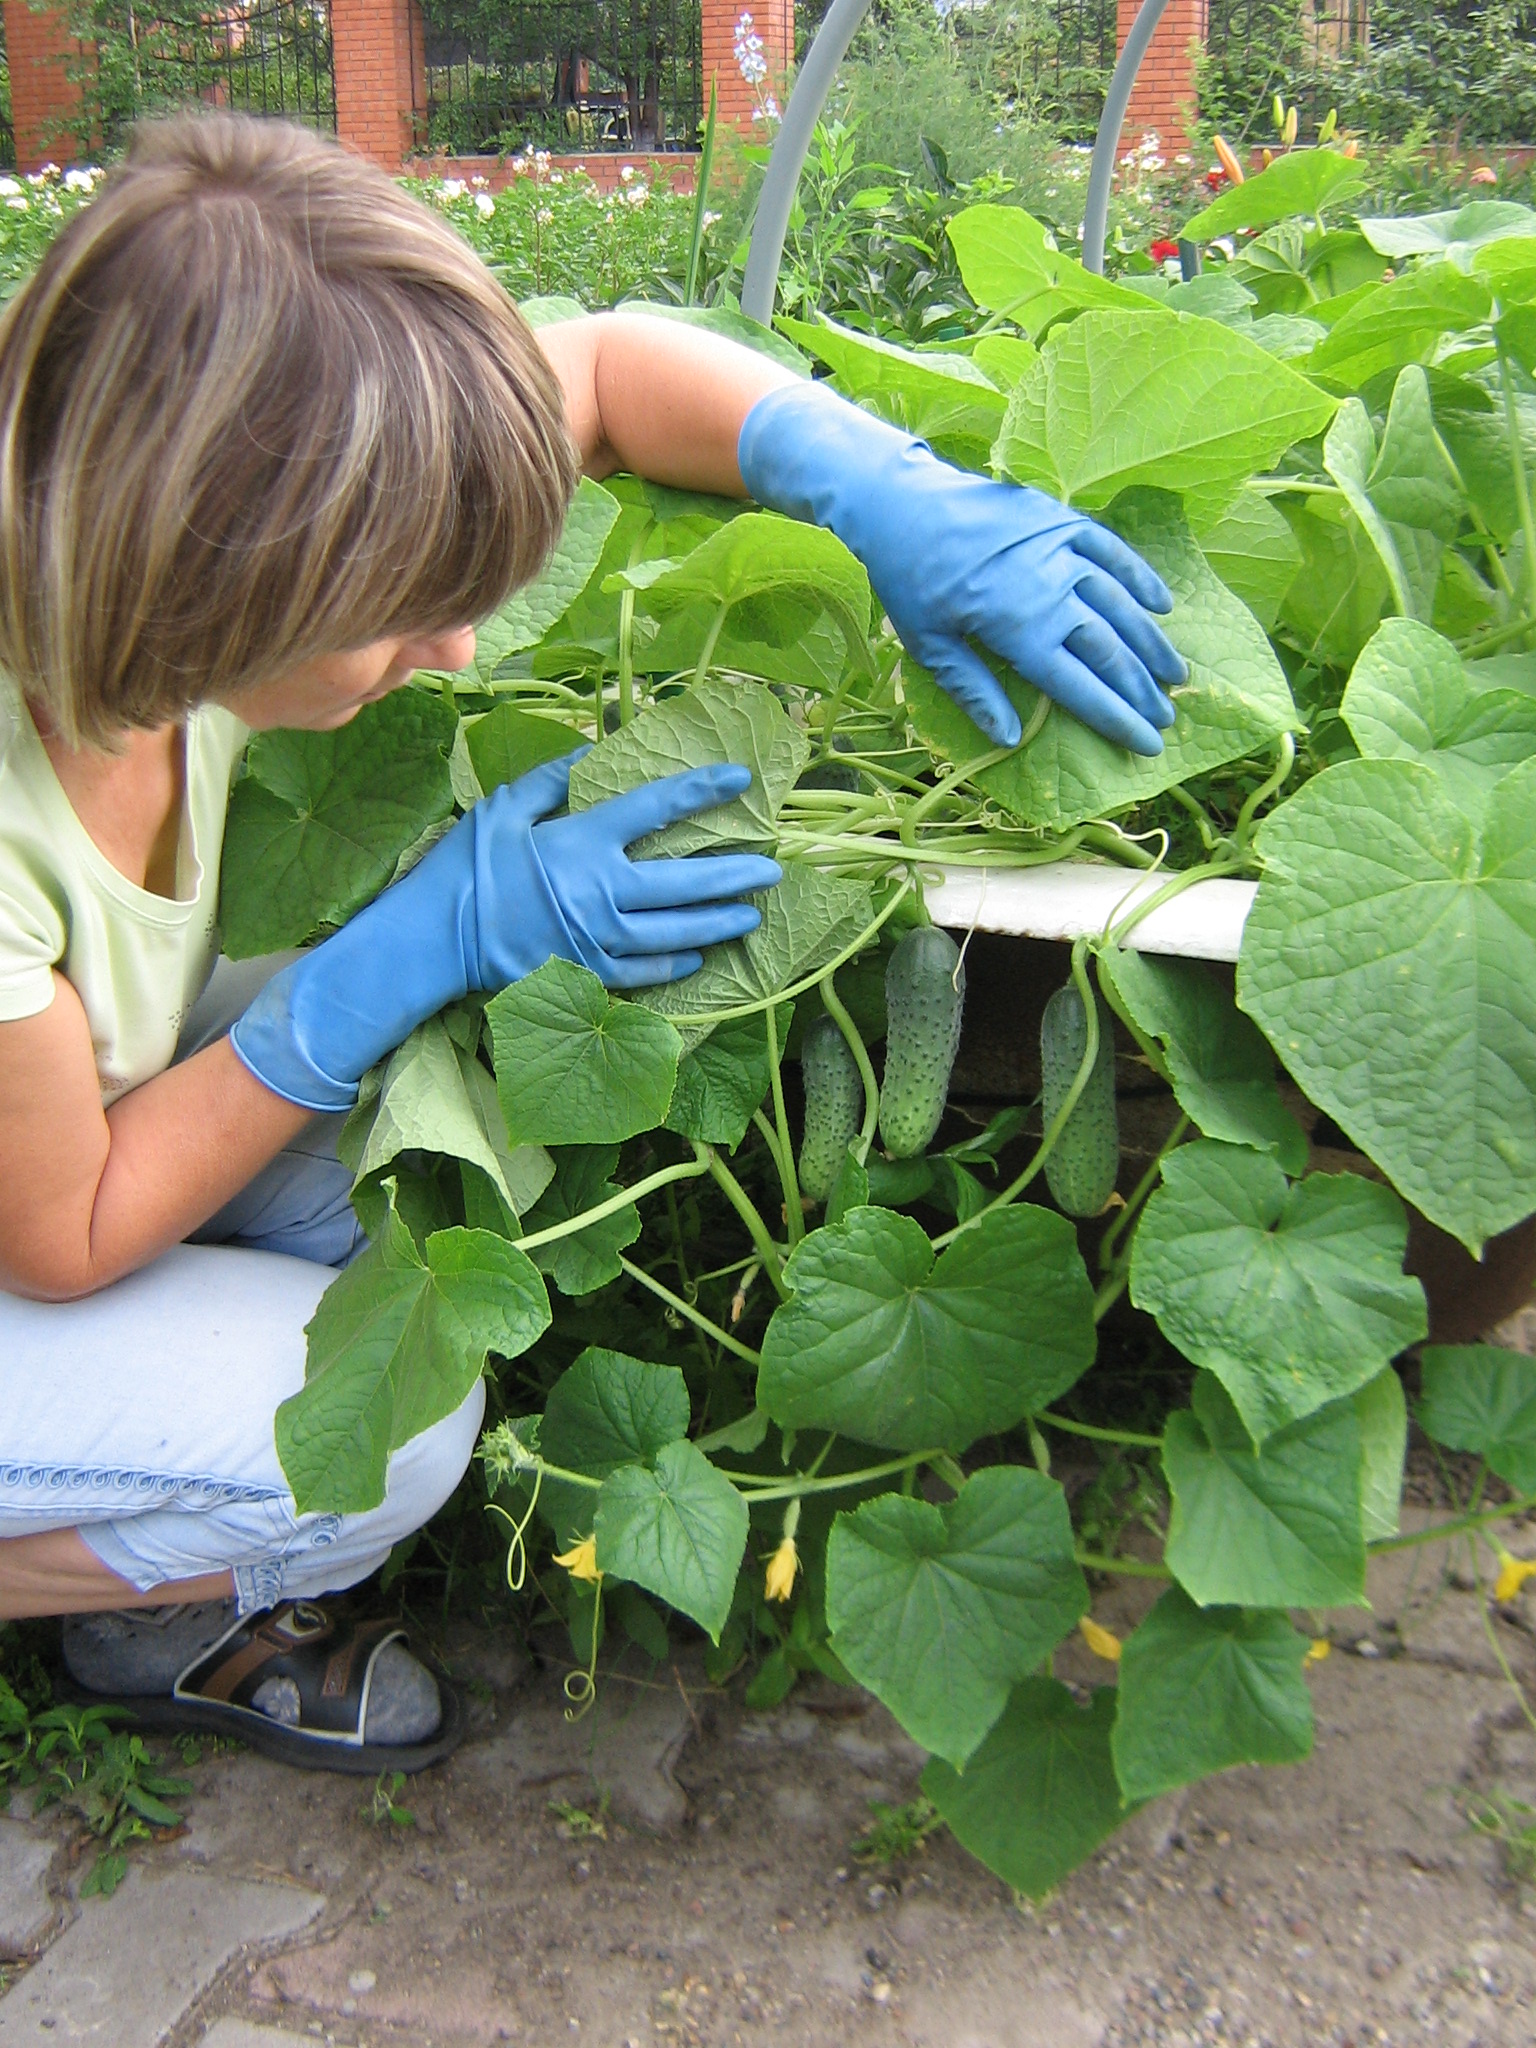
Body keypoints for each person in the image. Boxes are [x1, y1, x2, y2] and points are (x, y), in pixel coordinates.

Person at [0, 115, 1184, 1771]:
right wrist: (402, 953)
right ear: (219, 587)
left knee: (399, 1154)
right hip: (34, 1220)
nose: (461, 640)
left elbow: (617, 369)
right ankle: (131, 1586)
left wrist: (884, 487)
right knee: (372, 1441)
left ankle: (121, 1512)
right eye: (405, 614)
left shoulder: (159, 520)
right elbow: (61, 1235)